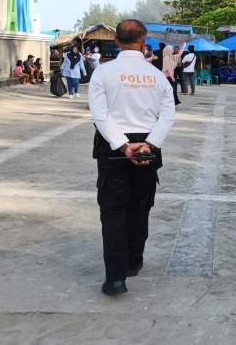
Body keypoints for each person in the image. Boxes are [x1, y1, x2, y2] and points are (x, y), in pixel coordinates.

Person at [88, 19, 175, 296]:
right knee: (140, 207)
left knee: (113, 211)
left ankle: (115, 278)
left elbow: (100, 115)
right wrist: (149, 145)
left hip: (112, 148)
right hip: (148, 147)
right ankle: (133, 261)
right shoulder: (157, 76)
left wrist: (123, 146)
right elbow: (168, 115)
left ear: (116, 41)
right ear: (144, 41)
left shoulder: (103, 72)